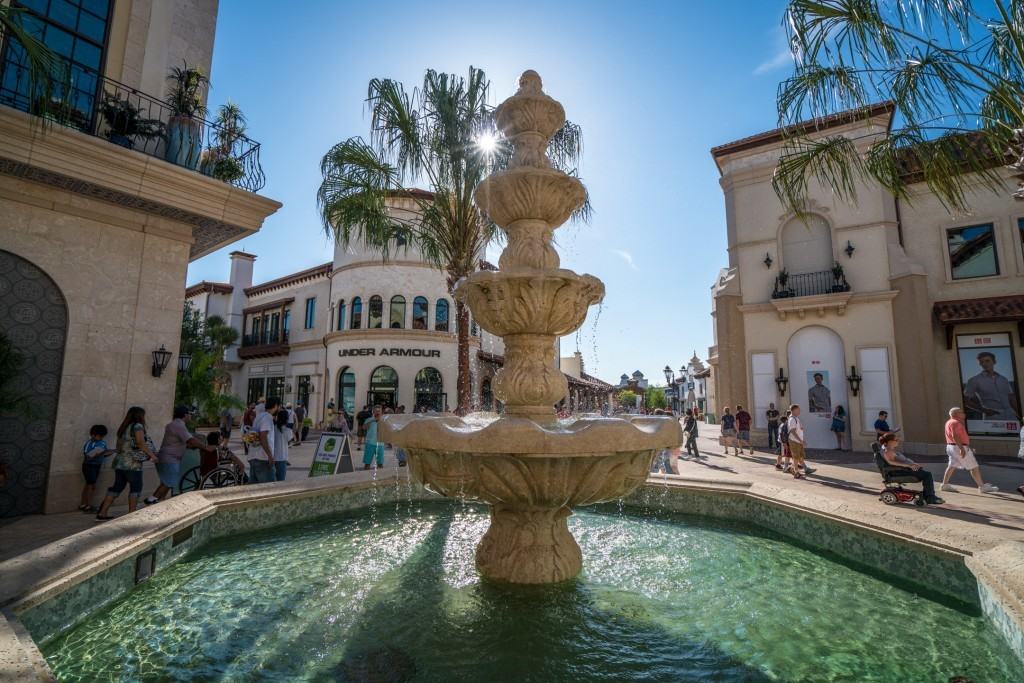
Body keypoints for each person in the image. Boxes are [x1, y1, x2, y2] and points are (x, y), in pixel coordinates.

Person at [145, 406, 218, 504]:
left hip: (168, 457)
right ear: (185, 415)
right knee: (169, 482)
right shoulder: (178, 425)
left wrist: (191, 446)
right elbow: (191, 440)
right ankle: (151, 499)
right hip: (170, 459)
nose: (190, 416)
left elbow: (181, 442)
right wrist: (206, 447)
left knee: (167, 482)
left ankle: (159, 502)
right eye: (189, 414)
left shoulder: (175, 425)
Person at [96, 407, 157, 521]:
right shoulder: (138, 426)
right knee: (136, 488)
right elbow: (140, 443)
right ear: (139, 415)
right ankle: (132, 515)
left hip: (119, 462)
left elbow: (119, 447)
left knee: (116, 488)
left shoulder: (123, 427)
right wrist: (152, 455)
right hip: (132, 464)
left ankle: (102, 513)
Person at [941, 407, 999, 493]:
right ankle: (982, 487)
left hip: (951, 447)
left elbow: (954, 436)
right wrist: (962, 448)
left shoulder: (949, 422)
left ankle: (944, 485)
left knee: (952, 466)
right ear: (956, 414)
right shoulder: (956, 422)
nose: (964, 414)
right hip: (958, 447)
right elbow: (955, 435)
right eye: (961, 412)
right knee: (973, 466)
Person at [878, 432, 944, 505]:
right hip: (900, 472)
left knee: (926, 474)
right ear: (890, 441)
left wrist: (912, 464)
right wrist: (909, 465)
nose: (898, 441)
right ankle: (930, 497)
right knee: (927, 475)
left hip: (904, 469)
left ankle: (929, 495)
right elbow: (891, 462)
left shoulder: (890, 449)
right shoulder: (888, 451)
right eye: (896, 439)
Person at [963, 351, 1021, 421]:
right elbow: (965, 400)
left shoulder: (1003, 379)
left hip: (1011, 416)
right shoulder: (974, 380)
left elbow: (1011, 398)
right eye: (981, 362)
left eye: (987, 361)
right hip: (992, 417)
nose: (984, 364)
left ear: (994, 362)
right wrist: (984, 410)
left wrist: (1021, 416)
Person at [79, 424, 113, 513]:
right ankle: (88, 506)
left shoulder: (102, 443)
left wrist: (108, 453)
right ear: (92, 435)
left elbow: (104, 453)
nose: (101, 438)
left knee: (89, 484)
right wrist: (96, 454)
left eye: (102, 436)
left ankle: (84, 504)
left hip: (97, 466)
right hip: (89, 466)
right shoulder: (89, 443)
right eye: (99, 436)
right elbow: (87, 456)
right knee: (92, 486)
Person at [247, 397, 280, 483]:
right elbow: (263, 436)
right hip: (263, 459)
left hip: (253, 457)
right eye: (279, 407)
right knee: (269, 490)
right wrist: (270, 455)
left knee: (255, 492)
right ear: (276, 406)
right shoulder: (268, 417)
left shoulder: (259, 416)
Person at [786, 404, 808, 478]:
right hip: (794, 441)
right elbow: (792, 431)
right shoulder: (792, 419)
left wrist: (802, 440)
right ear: (794, 410)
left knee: (800, 456)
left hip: (798, 441)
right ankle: (796, 472)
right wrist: (800, 440)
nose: (799, 411)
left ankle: (792, 468)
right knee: (796, 457)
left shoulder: (796, 418)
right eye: (798, 409)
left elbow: (799, 430)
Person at [362, 404, 386, 470]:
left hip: (380, 443)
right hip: (370, 443)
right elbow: (364, 427)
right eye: (376, 411)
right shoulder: (369, 419)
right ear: (373, 411)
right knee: (367, 464)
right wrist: (373, 420)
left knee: (380, 464)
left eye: (379, 411)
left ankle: (380, 478)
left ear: (381, 412)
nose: (377, 412)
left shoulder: (384, 420)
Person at [272, 407, 291, 482]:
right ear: (286, 419)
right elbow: (290, 441)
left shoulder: (273, 428)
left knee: (272, 480)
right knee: (280, 481)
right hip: (282, 458)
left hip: (272, 456)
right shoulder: (287, 430)